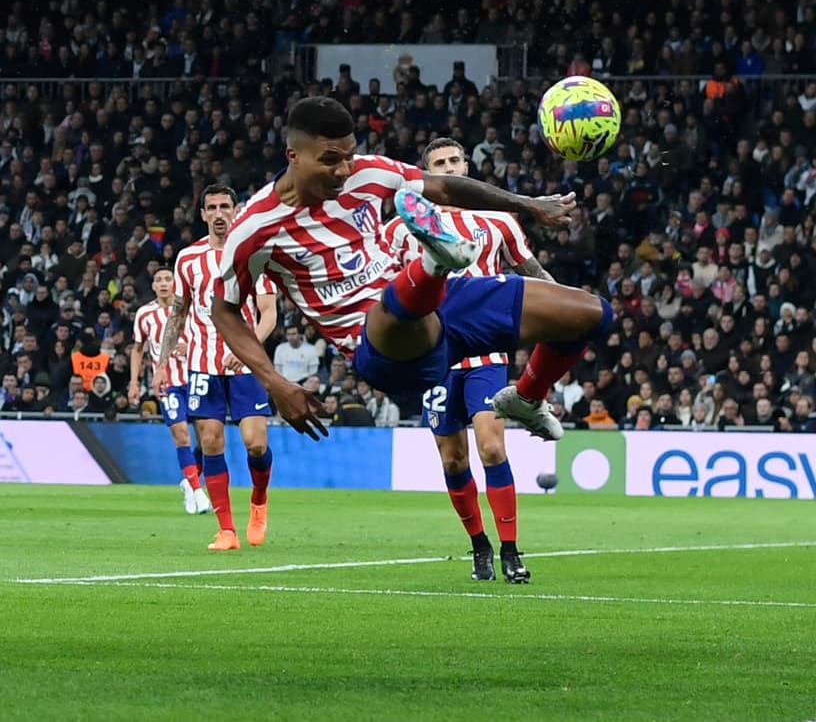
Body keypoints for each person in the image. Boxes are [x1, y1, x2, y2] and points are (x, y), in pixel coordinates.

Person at [210, 96, 610, 450]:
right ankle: (433, 262)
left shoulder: (367, 172)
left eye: (349, 155)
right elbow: (224, 310)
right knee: (396, 312)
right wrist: (275, 383)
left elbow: (446, 189)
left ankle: (526, 398)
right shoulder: (255, 228)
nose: (344, 169)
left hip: (442, 304)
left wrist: (528, 204)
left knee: (591, 313)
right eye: (330, 159)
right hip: (377, 347)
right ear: (293, 156)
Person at [386, 137, 555, 583]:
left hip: (486, 351)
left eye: (454, 161)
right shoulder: (402, 229)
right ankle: (480, 546)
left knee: (492, 446)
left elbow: (533, 273)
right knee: (453, 461)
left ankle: (511, 550)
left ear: (466, 166)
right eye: (438, 163)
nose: (448, 168)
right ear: (427, 174)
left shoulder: (498, 220)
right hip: (434, 358)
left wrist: (569, 304)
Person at [157, 185, 279, 551]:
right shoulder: (187, 259)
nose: (219, 213)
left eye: (225, 206)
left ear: (236, 210)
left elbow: (269, 313)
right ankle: (226, 530)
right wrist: (162, 363)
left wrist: (247, 348)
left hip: (245, 366)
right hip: (202, 366)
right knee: (210, 442)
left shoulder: (253, 254)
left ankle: (259, 500)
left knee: (255, 444)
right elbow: (178, 314)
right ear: (203, 214)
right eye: (212, 208)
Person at [130, 266, 211, 515]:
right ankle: (197, 491)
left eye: (168, 279)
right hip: (168, 384)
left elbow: (209, 337)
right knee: (181, 435)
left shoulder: (192, 308)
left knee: (207, 440)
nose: (164, 283)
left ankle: (188, 481)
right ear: (153, 286)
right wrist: (134, 382)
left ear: (176, 284)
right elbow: (138, 349)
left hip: (197, 377)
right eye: (159, 280)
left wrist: (192, 346)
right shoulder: (145, 314)